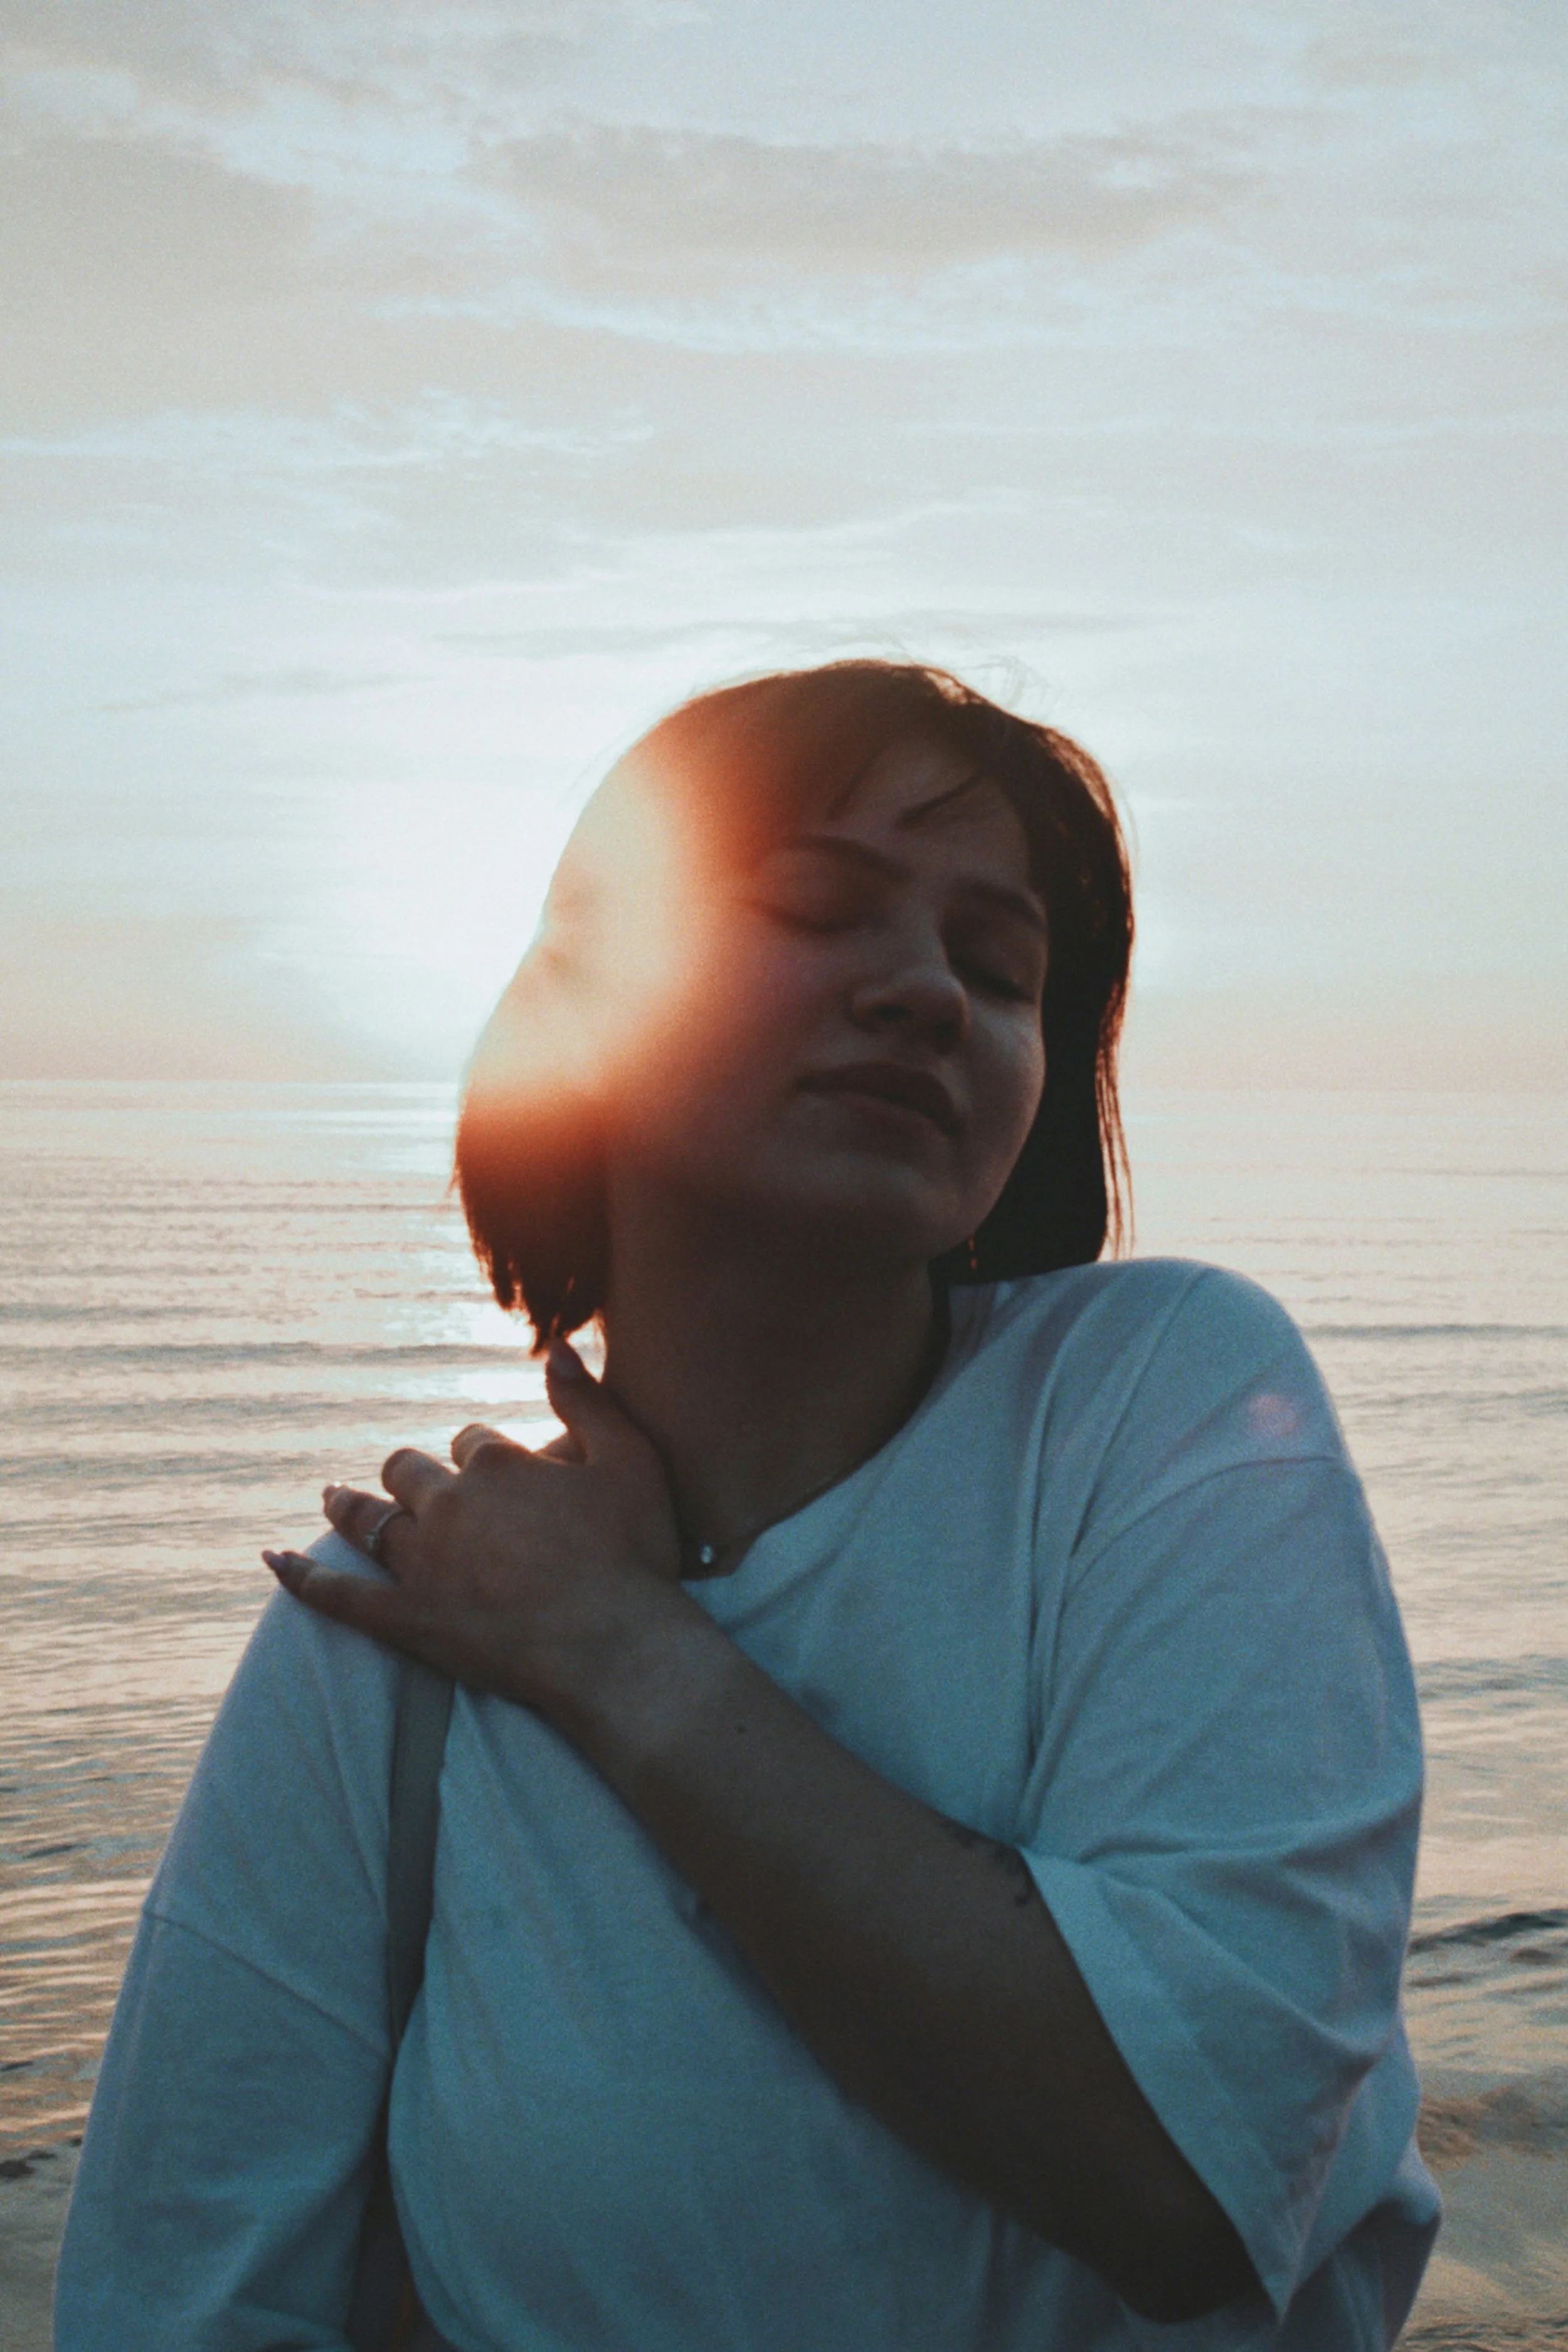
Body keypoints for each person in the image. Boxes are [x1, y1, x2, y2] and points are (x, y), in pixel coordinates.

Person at [56, 660, 1439, 2349]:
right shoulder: (387, 1639)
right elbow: (179, 2298)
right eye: (817, 909)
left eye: (998, 967)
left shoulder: (1162, 1399)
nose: (925, 992)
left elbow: (1188, 2175)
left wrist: (612, 1646)